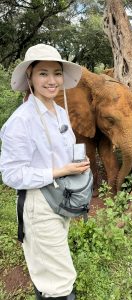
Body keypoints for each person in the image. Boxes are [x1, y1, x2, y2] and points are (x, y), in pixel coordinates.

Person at [0, 44, 91, 299]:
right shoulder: (20, 121)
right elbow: (11, 174)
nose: (52, 81)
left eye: (57, 73)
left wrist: (77, 164)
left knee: (49, 272)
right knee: (59, 282)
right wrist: (60, 170)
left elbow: (63, 149)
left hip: (61, 198)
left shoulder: (60, 112)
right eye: (43, 73)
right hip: (39, 204)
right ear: (29, 76)